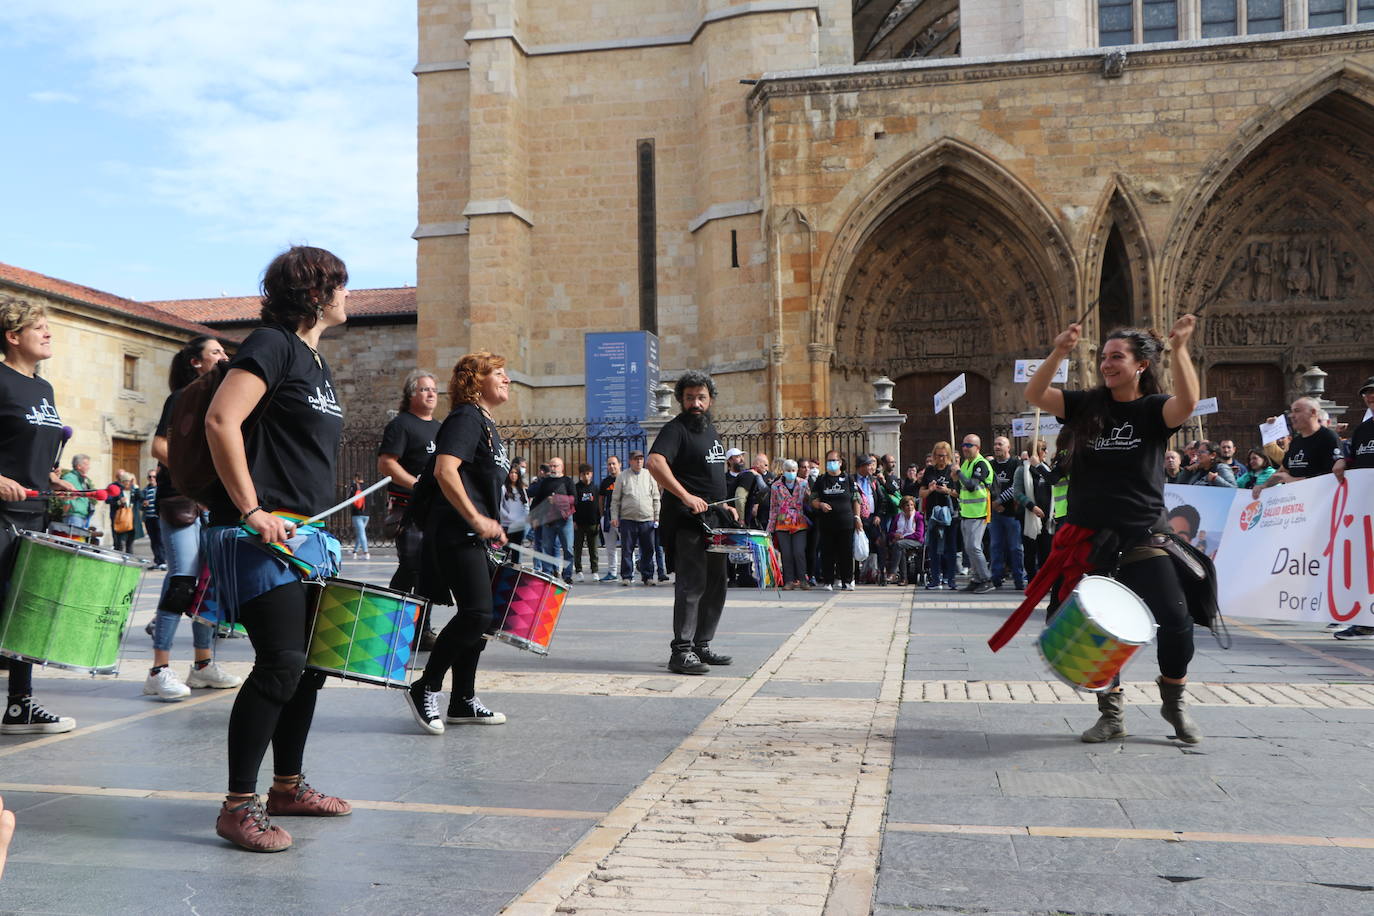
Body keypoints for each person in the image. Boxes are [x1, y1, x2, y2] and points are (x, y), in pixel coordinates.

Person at [203, 245, 353, 852]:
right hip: (261, 536)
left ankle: (287, 787)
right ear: (314, 293)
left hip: (307, 537)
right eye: (341, 284)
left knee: (309, 668)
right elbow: (221, 420)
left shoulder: (314, 359)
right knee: (280, 664)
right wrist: (251, 510)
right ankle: (239, 806)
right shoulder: (271, 344)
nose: (350, 295)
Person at [1025, 314, 1205, 745]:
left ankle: (1173, 698)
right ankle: (1111, 713)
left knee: (1176, 619)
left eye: (1117, 357)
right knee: (1097, 629)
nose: (1107, 364)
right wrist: (1060, 352)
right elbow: (1034, 393)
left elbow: (1188, 403)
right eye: (1104, 356)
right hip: (1089, 538)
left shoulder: (1152, 409)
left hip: (1143, 534)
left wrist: (1180, 350)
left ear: (1141, 364)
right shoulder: (1087, 404)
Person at [404, 351, 512, 733]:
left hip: (477, 535)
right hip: (456, 532)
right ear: (474, 380)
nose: (506, 379)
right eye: (498, 373)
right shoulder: (466, 417)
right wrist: (476, 518)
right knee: (477, 614)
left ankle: (463, 699)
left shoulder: (486, 423)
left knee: (483, 619)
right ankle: (425, 687)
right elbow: (445, 470)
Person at [145, 335, 241, 702]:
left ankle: (202, 667)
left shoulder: (220, 401)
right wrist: (195, 473)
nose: (223, 356)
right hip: (181, 501)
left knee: (206, 586)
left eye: (223, 351)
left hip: (208, 504)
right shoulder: (181, 398)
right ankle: (158, 671)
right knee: (183, 580)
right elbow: (158, 446)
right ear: (195, 363)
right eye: (215, 352)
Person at [0, 295, 78, 734]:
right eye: (38, 328)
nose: (48, 333)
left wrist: (51, 476)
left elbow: (28, 447)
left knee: (26, 609)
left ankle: (19, 705)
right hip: (0, 514)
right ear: (13, 337)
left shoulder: (43, 388)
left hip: (34, 512)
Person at [647, 371, 738, 674]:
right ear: (681, 401)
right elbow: (655, 462)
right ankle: (681, 651)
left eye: (701, 397)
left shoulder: (710, 428)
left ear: (710, 399)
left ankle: (702, 645)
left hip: (715, 519)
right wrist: (685, 496)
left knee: (717, 584)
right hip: (689, 521)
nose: (695, 403)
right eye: (689, 398)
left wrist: (727, 506)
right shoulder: (676, 429)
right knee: (692, 585)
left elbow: (711, 474)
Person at [378, 369, 442, 647]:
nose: (430, 394)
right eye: (424, 389)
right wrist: (416, 484)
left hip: (435, 512)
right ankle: (395, 624)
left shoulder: (441, 428)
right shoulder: (401, 425)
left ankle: (422, 629)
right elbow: (387, 464)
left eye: (434, 390)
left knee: (430, 570)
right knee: (411, 567)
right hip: (409, 511)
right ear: (410, 394)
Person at [1331, 377, 1374, 640]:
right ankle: (1365, 621)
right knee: (1365, 566)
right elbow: (1354, 458)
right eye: (1367, 394)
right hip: (1365, 509)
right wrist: (1342, 462)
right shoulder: (1364, 429)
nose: (1370, 397)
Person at [1252, 397, 1344, 498]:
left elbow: (1331, 476)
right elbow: (1283, 471)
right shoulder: (1295, 442)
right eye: (1291, 412)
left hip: (1320, 501)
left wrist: (1293, 480)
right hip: (1296, 502)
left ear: (1313, 412)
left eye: (1297, 411)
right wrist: (1263, 486)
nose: (1292, 416)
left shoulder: (1328, 437)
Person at [811, 449, 860, 591]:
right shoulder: (821, 480)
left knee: (846, 553)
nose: (831, 463)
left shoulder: (849, 479)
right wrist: (820, 505)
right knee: (827, 553)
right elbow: (813, 499)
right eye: (829, 461)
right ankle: (828, 581)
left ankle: (847, 580)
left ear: (840, 462)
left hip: (846, 522)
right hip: (827, 523)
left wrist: (857, 517)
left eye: (834, 460)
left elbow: (856, 499)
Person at [611, 450, 660, 586]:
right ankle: (627, 576)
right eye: (635, 459)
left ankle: (648, 576)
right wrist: (614, 516)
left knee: (648, 549)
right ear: (630, 461)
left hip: (647, 519)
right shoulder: (622, 477)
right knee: (627, 549)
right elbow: (615, 499)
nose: (639, 461)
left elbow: (656, 497)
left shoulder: (649, 475)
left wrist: (657, 516)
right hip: (628, 519)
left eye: (641, 459)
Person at [954, 434, 995, 594]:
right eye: (964, 445)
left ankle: (986, 579)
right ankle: (977, 578)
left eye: (969, 445)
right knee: (969, 548)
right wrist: (956, 477)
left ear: (977, 447)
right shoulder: (966, 464)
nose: (965, 448)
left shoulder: (981, 464)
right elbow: (961, 489)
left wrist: (959, 473)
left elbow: (971, 485)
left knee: (974, 547)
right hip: (966, 512)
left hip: (979, 512)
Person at [987, 436, 1026, 590]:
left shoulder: (1016, 463)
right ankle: (996, 577)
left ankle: (1018, 578)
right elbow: (987, 485)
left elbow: (1016, 486)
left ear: (1008, 447)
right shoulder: (990, 465)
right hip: (996, 514)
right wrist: (994, 503)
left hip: (1012, 513)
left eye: (1000, 444)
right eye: (995, 444)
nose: (997, 447)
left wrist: (1000, 500)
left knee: (1015, 547)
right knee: (995, 546)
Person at [529, 457, 575, 583]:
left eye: (556, 466)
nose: (553, 469)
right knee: (546, 548)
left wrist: (558, 499)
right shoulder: (545, 482)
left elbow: (574, 499)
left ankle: (567, 575)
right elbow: (537, 500)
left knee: (568, 549)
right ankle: (547, 573)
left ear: (562, 467)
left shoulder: (567, 481)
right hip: (548, 521)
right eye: (551, 466)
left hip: (565, 520)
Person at [919, 441, 958, 590]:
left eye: (943, 456)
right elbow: (921, 493)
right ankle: (935, 578)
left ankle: (951, 578)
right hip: (934, 513)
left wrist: (947, 491)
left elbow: (959, 493)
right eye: (938, 455)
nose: (941, 459)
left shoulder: (952, 471)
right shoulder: (929, 471)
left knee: (951, 547)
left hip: (950, 513)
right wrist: (930, 490)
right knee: (934, 547)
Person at [767, 458, 810, 589]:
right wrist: (770, 527)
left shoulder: (803, 484)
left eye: (793, 470)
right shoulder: (776, 486)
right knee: (786, 553)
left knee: (799, 551)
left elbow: (808, 500)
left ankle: (803, 579)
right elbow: (773, 506)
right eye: (788, 470)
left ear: (797, 471)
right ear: (783, 471)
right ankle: (789, 581)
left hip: (799, 522)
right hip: (782, 522)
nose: (791, 473)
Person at [853, 455, 888, 585]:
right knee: (857, 545)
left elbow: (882, 499)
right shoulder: (852, 480)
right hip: (858, 518)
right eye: (868, 465)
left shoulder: (873, 481)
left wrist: (879, 515)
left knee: (880, 543)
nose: (871, 467)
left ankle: (881, 573)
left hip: (873, 518)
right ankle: (855, 574)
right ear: (861, 467)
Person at [571, 463, 600, 582]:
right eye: (583, 474)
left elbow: (599, 505)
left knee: (593, 548)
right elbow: (572, 505)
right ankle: (578, 570)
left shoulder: (595, 487)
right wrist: (573, 520)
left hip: (593, 522)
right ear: (580, 475)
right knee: (578, 548)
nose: (586, 476)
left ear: (591, 474)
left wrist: (598, 521)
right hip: (579, 523)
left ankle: (595, 571)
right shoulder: (576, 488)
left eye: (588, 474)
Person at [887, 495, 925, 584]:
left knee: (899, 544)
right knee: (900, 548)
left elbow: (919, 535)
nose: (910, 507)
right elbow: (890, 532)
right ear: (903, 507)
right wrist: (895, 535)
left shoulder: (918, 517)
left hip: (916, 541)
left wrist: (903, 537)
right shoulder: (898, 517)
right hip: (901, 542)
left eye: (912, 505)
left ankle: (892, 573)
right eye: (907, 505)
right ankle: (904, 579)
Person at [597, 455, 621, 581]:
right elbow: (601, 498)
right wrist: (602, 515)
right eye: (609, 464)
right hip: (607, 517)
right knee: (610, 547)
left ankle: (629, 572)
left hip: (622, 517)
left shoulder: (624, 479)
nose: (611, 466)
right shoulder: (605, 482)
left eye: (614, 464)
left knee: (628, 546)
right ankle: (612, 572)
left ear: (619, 465)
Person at [60, 454, 95, 537]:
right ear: (79, 466)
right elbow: (66, 495)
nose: (89, 467)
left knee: (79, 543)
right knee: (72, 545)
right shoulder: (70, 477)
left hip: (82, 517)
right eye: (86, 464)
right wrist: (67, 509)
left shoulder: (82, 479)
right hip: (73, 517)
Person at [109, 469, 138, 553]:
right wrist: (119, 502)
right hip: (118, 518)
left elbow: (140, 497)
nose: (126, 482)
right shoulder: (113, 487)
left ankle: (129, 560)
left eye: (128, 480)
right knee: (118, 543)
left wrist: (135, 486)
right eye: (123, 479)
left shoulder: (133, 489)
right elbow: (108, 500)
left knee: (130, 542)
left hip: (130, 518)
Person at [499, 466, 530, 543]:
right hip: (507, 524)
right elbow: (500, 504)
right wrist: (507, 516)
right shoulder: (504, 488)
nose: (513, 475)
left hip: (519, 525)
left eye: (516, 473)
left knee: (517, 551)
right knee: (505, 549)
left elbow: (526, 505)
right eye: (511, 472)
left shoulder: (521, 489)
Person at [141, 468, 165, 569]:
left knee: (160, 539)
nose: (151, 478)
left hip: (158, 517)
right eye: (150, 477)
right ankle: (157, 561)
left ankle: (163, 561)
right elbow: (140, 506)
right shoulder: (145, 490)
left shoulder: (161, 489)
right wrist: (143, 505)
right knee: (153, 540)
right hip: (149, 518)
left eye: (154, 476)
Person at [348, 474, 370, 559]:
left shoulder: (354, 486)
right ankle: (355, 552)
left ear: (356, 478)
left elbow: (349, 498)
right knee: (360, 533)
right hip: (367, 514)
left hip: (357, 514)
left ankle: (366, 552)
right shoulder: (368, 487)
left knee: (361, 533)